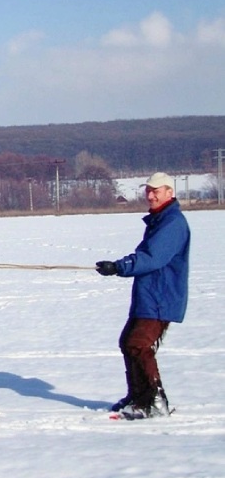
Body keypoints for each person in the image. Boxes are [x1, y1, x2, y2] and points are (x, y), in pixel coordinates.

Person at [95, 172, 190, 418]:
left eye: (156, 191)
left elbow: (153, 258)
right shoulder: (160, 220)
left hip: (161, 297)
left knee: (138, 344)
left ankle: (154, 402)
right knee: (129, 341)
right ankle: (138, 396)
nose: (150, 195)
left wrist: (118, 267)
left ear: (170, 192)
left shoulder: (172, 223)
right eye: (148, 190)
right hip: (149, 295)